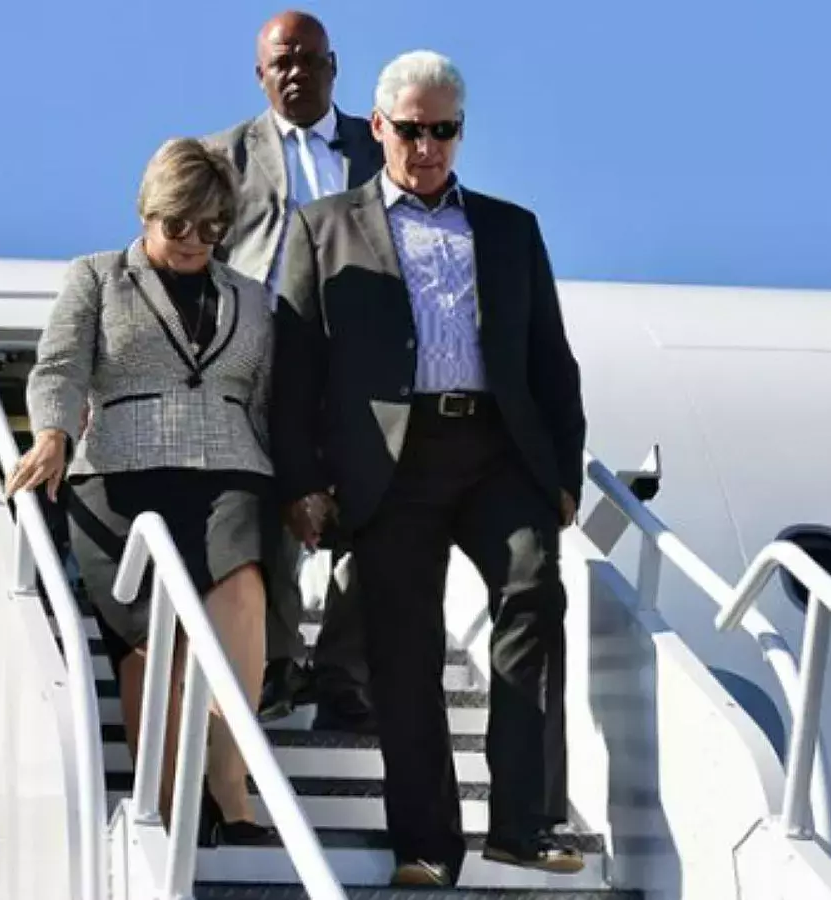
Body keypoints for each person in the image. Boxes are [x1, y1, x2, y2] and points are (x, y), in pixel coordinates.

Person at [272, 50, 588, 886]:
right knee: (405, 657)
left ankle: (523, 824)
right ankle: (424, 845)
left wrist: (565, 470)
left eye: (443, 130)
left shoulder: (511, 227)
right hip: (389, 463)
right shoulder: (323, 227)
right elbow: (296, 366)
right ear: (379, 129)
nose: (427, 146)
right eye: (411, 130)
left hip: (499, 453)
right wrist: (303, 480)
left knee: (533, 597)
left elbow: (552, 360)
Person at [6, 138, 274, 846]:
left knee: (243, 594)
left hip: (229, 465)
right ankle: (166, 809)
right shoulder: (96, 277)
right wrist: (54, 435)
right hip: (121, 478)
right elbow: (59, 368)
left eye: (212, 226)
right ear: (149, 214)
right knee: (154, 647)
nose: (194, 241)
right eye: (177, 225)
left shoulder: (253, 298)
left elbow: (273, 397)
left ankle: (232, 791)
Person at [205, 9, 384, 730]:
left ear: (333, 66)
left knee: (376, 512)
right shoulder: (224, 156)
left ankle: (344, 673)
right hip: (258, 351)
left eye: (309, 59)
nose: (296, 71)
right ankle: (276, 662)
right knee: (260, 507)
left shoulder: (378, 152)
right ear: (260, 74)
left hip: (354, 363)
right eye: (281, 61)